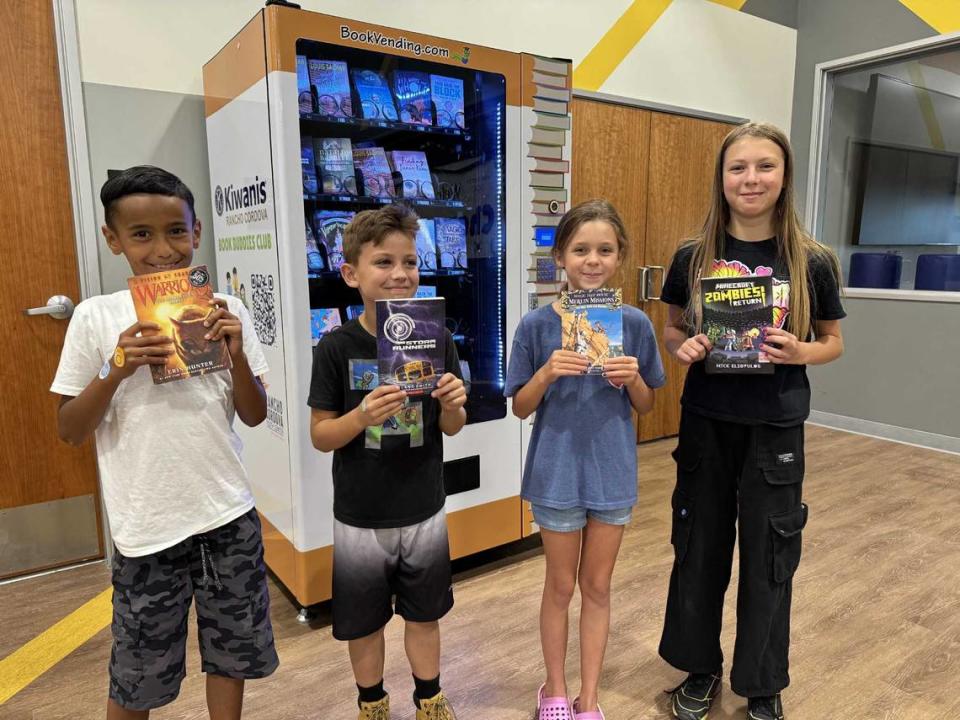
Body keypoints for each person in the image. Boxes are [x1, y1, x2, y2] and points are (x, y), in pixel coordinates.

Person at [51, 166, 277, 719]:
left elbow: (253, 414)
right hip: (147, 528)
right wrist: (116, 368)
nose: (162, 249)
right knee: (138, 673)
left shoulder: (226, 309)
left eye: (176, 231)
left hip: (227, 515)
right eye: (141, 234)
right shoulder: (95, 318)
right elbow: (70, 429)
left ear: (197, 233)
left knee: (233, 655)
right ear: (114, 239)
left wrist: (238, 353)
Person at [657, 122, 846, 720]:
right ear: (721, 177)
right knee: (699, 545)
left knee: (771, 555)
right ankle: (698, 668)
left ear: (784, 175)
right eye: (738, 167)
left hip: (775, 427)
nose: (751, 179)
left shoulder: (810, 260)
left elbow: (833, 341)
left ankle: (763, 682)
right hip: (707, 421)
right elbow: (672, 327)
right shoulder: (694, 254)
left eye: (765, 166)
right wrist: (683, 347)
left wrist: (801, 352)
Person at [506, 199, 666, 720]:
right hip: (555, 473)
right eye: (580, 249)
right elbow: (519, 406)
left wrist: (633, 379)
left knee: (597, 586)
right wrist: (547, 373)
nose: (592, 260)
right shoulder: (535, 326)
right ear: (560, 257)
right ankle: (554, 689)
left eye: (605, 249)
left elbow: (646, 404)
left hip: (612, 472)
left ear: (620, 257)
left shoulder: (635, 323)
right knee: (559, 584)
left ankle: (589, 696)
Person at [307, 204, 467, 720]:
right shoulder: (335, 347)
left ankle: (430, 697)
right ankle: (371, 702)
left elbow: (451, 427)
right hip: (360, 514)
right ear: (352, 274)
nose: (400, 275)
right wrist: (361, 416)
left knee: (426, 615)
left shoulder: (437, 338)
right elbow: (321, 435)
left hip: (424, 506)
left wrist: (452, 405)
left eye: (410, 262)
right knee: (364, 622)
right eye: (383, 263)